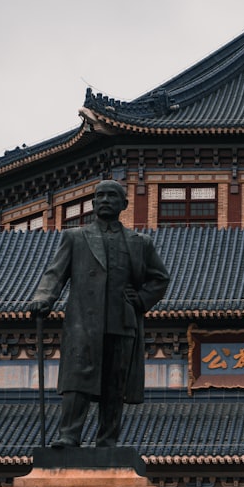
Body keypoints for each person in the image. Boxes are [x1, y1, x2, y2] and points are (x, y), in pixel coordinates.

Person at [29, 180, 169, 447]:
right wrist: (42, 298)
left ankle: (108, 439)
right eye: (100, 196)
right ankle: (69, 434)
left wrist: (140, 300)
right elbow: (55, 274)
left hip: (122, 321)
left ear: (124, 204)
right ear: (93, 204)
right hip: (84, 321)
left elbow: (160, 278)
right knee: (78, 378)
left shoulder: (140, 242)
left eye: (112, 196)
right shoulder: (75, 238)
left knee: (114, 384)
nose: (105, 200)